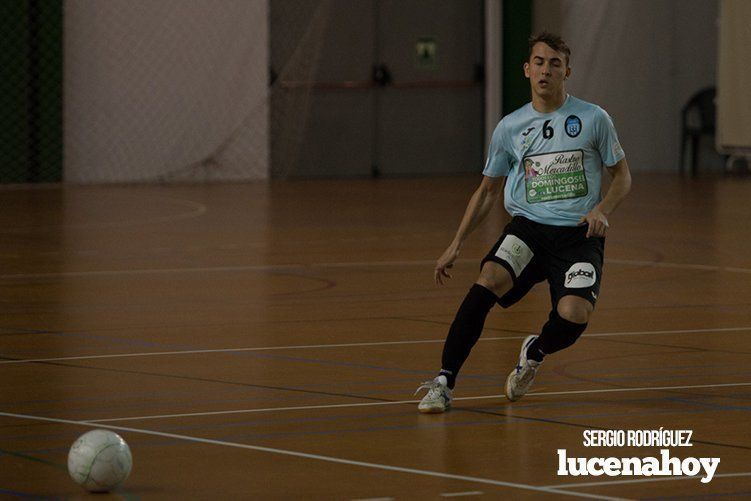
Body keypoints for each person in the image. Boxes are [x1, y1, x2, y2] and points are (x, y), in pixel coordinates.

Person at [415, 32, 632, 413]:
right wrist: (456, 243)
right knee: (487, 282)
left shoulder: (593, 118)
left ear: (567, 72)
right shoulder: (510, 127)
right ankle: (444, 381)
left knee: (574, 315)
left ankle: (536, 350)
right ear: (527, 69)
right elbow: (486, 192)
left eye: (554, 63)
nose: (546, 69)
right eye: (539, 62)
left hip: (579, 236)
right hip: (528, 230)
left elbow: (623, 176)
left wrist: (602, 209)